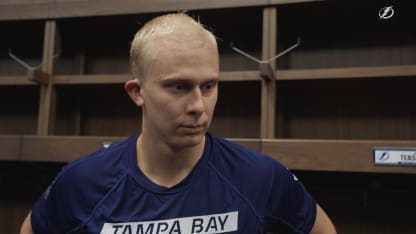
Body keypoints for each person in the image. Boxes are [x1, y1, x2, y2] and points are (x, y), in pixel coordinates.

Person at [20, 13, 336, 234]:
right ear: (137, 92)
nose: (198, 106)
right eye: (179, 87)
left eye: (209, 86)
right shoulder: (83, 181)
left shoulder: (260, 176)